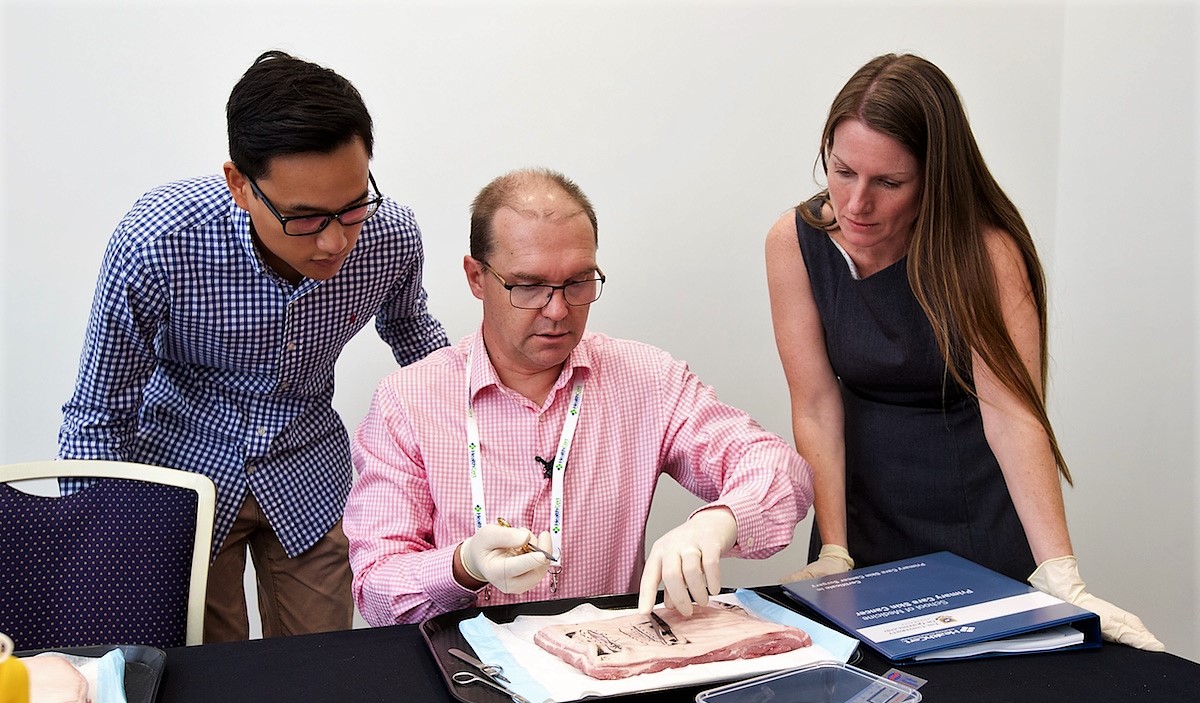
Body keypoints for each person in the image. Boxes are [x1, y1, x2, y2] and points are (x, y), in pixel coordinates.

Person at [765, 53, 1162, 650]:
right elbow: (817, 406)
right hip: (860, 511)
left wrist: (1060, 572)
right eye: (843, 171)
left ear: (935, 177)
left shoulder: (986, 252)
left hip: (973, 514)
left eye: (889, 183)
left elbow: (1012, 414)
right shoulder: (794, 243)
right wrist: (834, 550)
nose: (856, 204)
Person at [59, 51, 450, 642]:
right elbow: (99, 412)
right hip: (181, 474)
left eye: (352, 207)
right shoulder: (158, 242)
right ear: (240, 185)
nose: (335, 241)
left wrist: (468, 441)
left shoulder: (390, 237)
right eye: (304, 218)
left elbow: (412, 334)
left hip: (307, 468)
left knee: (323, 664)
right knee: (207, 673)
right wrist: (107, 548)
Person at [343, 167, 813, 626]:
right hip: (465, 664)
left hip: (606, 658)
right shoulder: (409, 402)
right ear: (476, 277)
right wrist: (462, 565)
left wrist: (718, 523)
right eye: (529, 286)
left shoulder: (646, 380)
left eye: (578, 283)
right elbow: (375, 589)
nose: (557, 310)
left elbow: (780, 470)